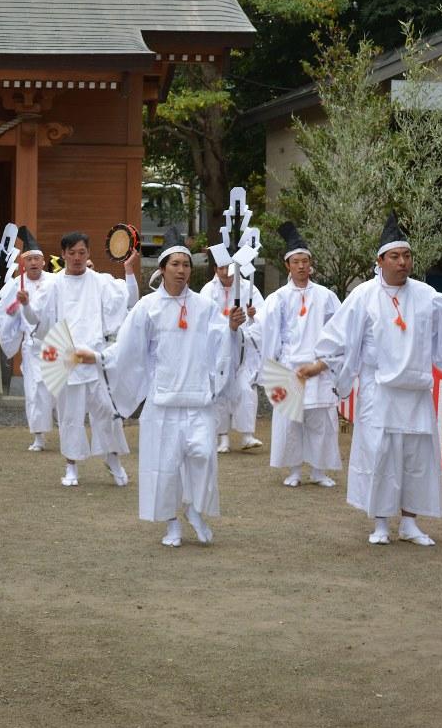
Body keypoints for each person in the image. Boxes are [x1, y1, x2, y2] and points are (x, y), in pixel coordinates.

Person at [296, 213, 442, 546]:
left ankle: (410, 522)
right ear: (380, 260)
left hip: (415, 393)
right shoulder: (363, 296)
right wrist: (319, 365)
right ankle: (381, 522)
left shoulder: (429, 295)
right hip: (379, 391)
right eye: (395, 256)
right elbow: (337, 338)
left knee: (416, 458)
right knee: (381, 455)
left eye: (407, 256)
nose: (403, 262)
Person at [83, 231, 245, 547]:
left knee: (202, 458)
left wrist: (233, 328)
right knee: (165, 466)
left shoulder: (205, 306)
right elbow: (126, 348)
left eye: (186, 264)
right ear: (163, 267)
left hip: (198, 399)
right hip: (163, 401)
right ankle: (172, 523)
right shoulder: (147, 307)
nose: (182, 270)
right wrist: (99, 357)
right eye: (176, 264)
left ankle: (194, 510)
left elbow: (220, 343)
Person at [22, 231, 137, 488]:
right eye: (71, 253)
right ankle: (71, 465)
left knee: (107, 411)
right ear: (63, 254)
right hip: (65, 357)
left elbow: (129, 300)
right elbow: (36, 320)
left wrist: (128, 270)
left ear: (88, 254)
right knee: (70, 414)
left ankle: (113, 459)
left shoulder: (100, 281)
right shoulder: (52, 285)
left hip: (94, 357)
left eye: (81, 253)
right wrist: (25, 306)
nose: (76, 258)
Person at [259, 222, 343, 488]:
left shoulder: (326, 296)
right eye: (296, 262)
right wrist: (271, 369)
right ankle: (294, 470)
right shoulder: (278, 298)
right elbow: (268, 333)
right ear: (288, 265)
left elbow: (338, 330)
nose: (301, 266)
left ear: (310, 264)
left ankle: (319, 471)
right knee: (290, 422)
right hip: (289, 366)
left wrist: (327, 362)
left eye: (305, 261)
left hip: (318, 366)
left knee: (320, 421)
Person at [0, 227, 57, 452]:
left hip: (55, 344)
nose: (34, 263)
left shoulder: (56, 282)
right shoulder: (17, 284)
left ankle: (65, 429)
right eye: (30, 260)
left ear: (43, 262)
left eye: (37, 259)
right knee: (34, 391)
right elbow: (4, 312)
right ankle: (38, 435)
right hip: (31, 346)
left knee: (56, 389)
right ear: (23, 263)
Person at [203, 248, 265, 454]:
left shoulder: (249, 289)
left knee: (246, 388)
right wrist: (225, 327)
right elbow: (205, 318)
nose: (225, 272)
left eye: (228, 268)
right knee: (219, 389)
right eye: (220, 268)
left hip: (243, 346)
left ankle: (247, 434)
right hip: (219, 348)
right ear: (215, 269)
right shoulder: (208, 290)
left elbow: (261, 317)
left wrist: (252, 316)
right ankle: (223, 437)